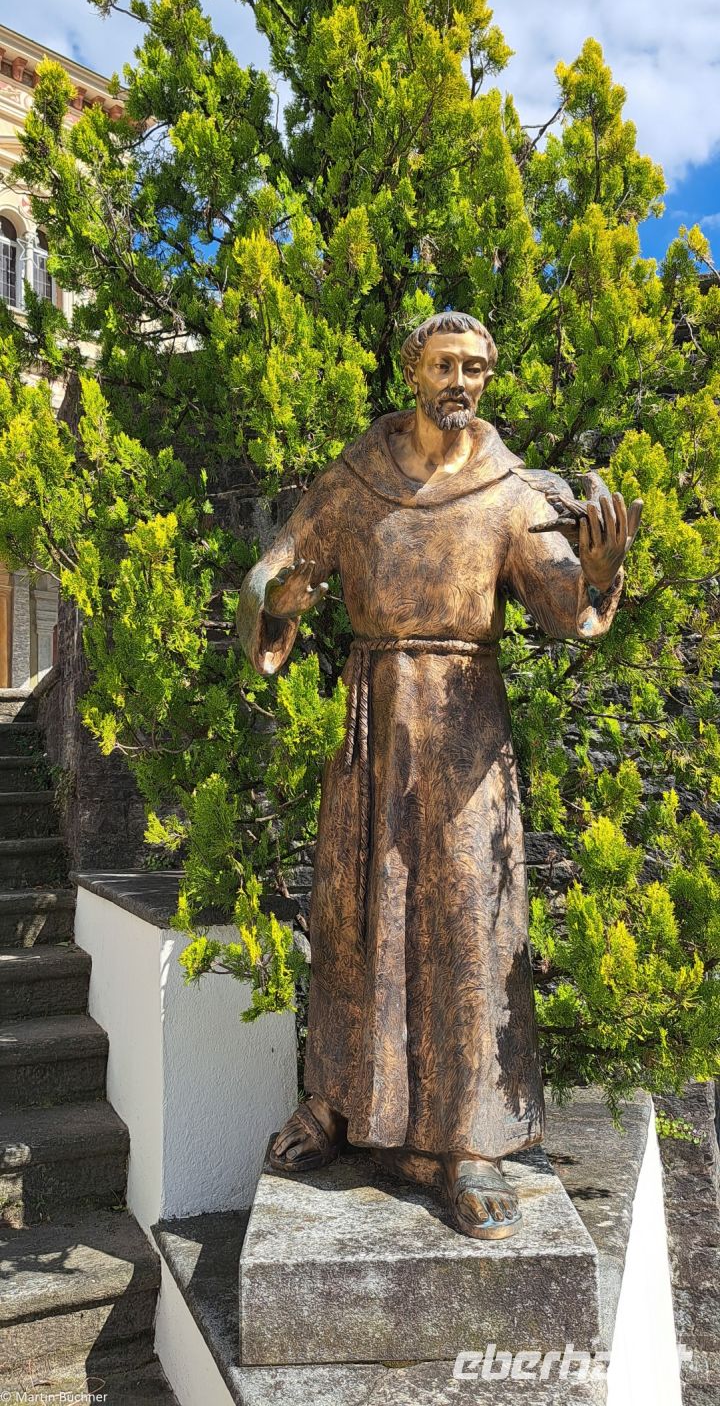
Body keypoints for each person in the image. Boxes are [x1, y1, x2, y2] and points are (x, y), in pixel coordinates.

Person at [236, 311, 642, 1239]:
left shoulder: (511, 493)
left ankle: (468, 1145)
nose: (460, 380)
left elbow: (561, 607)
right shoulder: (354, 480)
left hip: (465, 727)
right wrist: (272, 595)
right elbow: (276, 571)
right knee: (351, 913)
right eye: (444, 364)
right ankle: (336, 1104)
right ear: (412, 372)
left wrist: (599, 571)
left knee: (467, 923)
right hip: (372, 719)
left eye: (476, 367)